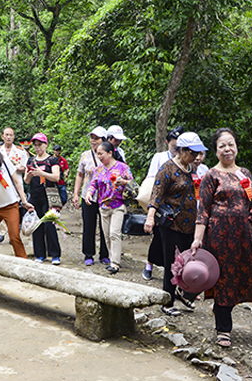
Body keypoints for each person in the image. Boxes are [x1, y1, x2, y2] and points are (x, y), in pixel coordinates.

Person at [191, 128, 252, 348]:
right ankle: (223, 328)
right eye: (222, 146)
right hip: (219, 236)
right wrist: (198, 239)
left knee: (239, 278)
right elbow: (203, 210)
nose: (227, 149)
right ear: (216, 151)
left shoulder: (244, 174)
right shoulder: (211, 176)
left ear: (236, 146)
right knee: (223, 279)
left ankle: (222, 310)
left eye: (230, 144)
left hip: (242, 235)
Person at [143, 132, 207, 315]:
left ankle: (182, 292)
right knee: (171, 263)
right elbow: (156, 194)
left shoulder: (192, 170)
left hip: (190, 225)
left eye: (198, 153)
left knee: (189, 262)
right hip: (171, 225)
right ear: (182, 150)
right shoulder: (167, 168)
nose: (196, 157)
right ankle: (167, 302)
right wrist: (150, 217)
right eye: (193, 153)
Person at [141, 125, 184, 281]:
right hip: (162, 205)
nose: (176, 149)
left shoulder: (188, 160)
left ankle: (174, 273)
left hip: (179, 207)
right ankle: (149, 265)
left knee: (177, 242)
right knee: (158, 237)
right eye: (174, 146)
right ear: (167, 142)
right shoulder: (159, 157)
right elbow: (151, 179)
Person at [85, 141, 134, 274]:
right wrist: (89, 193)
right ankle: (112, 258)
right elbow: (93, 184)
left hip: (118, 205)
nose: (99, 156)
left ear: (110, 153)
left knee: (114, 233)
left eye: (101, 154)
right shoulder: (98, 169)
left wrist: (123, 182)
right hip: (103, 206)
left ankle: (115, 263)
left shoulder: (122, 167)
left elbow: (133, 183)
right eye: (97, 154)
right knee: (106, 235)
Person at [73, 126, 110, 266]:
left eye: (97, 138)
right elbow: (80, 174)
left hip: (106, 197)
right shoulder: (85, 155)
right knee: (89, 226)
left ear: (103, 140)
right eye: (92, 138)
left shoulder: (109, 155)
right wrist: (76, 193)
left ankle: (105, 254)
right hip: (88, 196)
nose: (93, 141)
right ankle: (88, 254)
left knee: (105, 226)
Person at [24, 133, 62, 265]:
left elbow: (56, 177)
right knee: (36, 225)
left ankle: (55, 254)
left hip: (49, 197)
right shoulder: (31, 160)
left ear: (46, 145)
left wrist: (42, 173)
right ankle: (39, 254)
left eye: (40, 145)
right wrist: (29, 175)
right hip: (35, 196)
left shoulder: (52, 160)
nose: (37, 148)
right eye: (35, 145)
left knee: (49, 225)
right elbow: (26, 181)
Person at [0, 127, 30, 243]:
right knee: (1, 208)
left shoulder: (20, 151)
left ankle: (13, 233)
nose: (9, 137)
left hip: (16, 184)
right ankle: (2, 231)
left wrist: (13, 168)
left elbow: (26, 167)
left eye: (11, 135)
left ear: (14, 137)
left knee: (15, 209)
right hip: (0, 184)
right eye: (6, 135)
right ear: (3, 136)